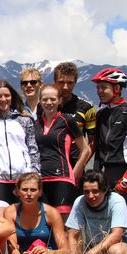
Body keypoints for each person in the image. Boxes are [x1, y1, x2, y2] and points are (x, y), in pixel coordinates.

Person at [0, 80, 39, 203]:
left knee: (22, 219)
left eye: (6, 95)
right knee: (1, 217)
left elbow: (33, 151)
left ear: (12, 97)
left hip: (24, 178)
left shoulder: (25, 120)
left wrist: (36, 176)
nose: (3, 99)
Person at [91, 67, 127, 206]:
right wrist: (95, 175)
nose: (99, 91)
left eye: (103, 87)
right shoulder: (101, 115)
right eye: (98, 88)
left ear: (116, 88)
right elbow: (99, 149)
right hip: (107, 173)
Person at [36, 83, 91, 217]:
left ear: (60, 100)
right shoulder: (36, 124)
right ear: (40, 101)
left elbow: (86, 150)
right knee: (45, 222)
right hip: (40, 179)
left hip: (62, 178)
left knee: (63, 223)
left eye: (53, 99)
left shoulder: (67, 121)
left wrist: (74, 172)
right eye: (45, 99)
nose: (49, 102)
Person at [65, 170, 127, 254]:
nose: (90, 196)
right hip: (93, 250)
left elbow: (116, 235)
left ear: (105, 190)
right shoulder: (80, 201)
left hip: (121, 246)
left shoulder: (116, 201)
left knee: (116, 251)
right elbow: (73, 234)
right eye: (86, 192)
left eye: (95, 191)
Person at [3, 173, 71, 254]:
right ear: (18, 192)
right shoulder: (11, 212)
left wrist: (47, 252)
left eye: (33, 190)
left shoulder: (52, 213)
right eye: (24, 190)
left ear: (40, 192)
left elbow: (66, 252)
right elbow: (12, 246)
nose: (29, 194)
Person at [48, 61, 96, 153]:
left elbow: (92, 142)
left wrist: (82, 163)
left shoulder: (87, 108)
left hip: (75, 164)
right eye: (61, 82)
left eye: (70, 83)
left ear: (75, 82)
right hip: (50, 163)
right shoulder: (44, 107)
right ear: (54, 81)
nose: (65, 87)